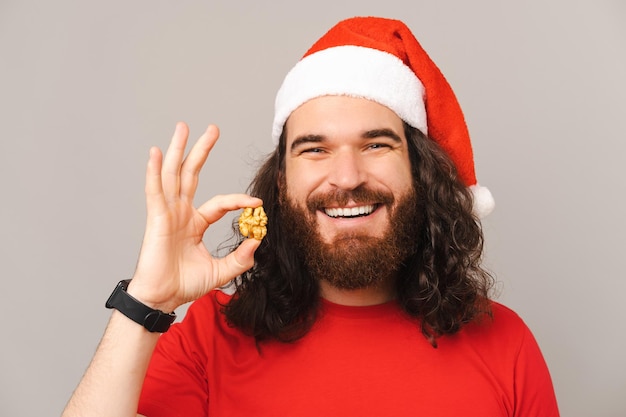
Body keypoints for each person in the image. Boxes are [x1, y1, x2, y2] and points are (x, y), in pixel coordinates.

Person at [62, 16, 559, 416]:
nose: (345, 177)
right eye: (314, 149)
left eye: (376, 144)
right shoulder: (210, 338)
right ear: (281, 182)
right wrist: (145, 301)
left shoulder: (505, 344)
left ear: (419, 172)